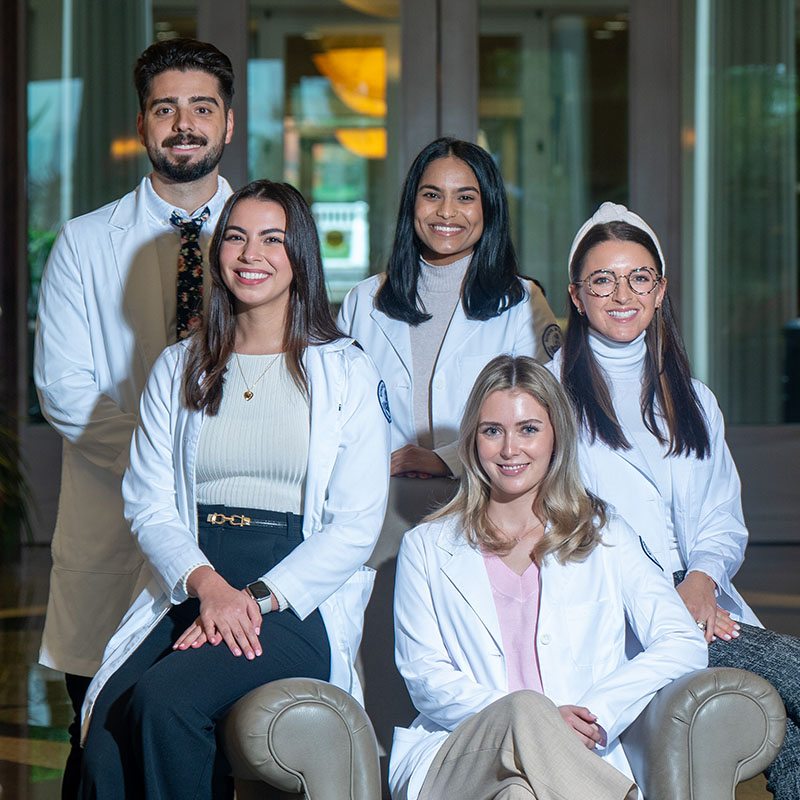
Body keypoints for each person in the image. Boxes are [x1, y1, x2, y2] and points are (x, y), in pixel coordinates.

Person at [77, 179, 390, 799]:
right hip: (196, 580)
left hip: (294, 597)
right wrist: (211, 590)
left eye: (273, 239)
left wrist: (253, 599)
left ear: (300, 256)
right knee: (109, 724)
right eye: (237, 237)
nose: (252, 254)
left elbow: (356, 523)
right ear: (218, 252)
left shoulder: (346, 370)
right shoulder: (181, 366)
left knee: (166, 701)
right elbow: (148, 502)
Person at [34, 37, 236, 797]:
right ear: (144, 124)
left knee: (210, 753)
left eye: (201, 108)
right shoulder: (85, 244)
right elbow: (65, 392)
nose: (184, 124)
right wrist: (169, 470)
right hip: (113, 541)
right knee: (102, 751)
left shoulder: (267, 238)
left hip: (229, 547)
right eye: (166, 109)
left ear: (225, 123)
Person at [552, 201, 800, 799]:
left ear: (660, 291)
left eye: (639, 277)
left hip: (700, 600)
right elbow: (558, 523)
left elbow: (721, 518)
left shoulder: (692, 397)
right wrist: (669, 596)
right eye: (602, 280)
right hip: (620, 610)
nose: (622, 294)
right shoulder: (547, 391)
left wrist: (702, 582)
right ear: (577, 295)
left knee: (791, 734)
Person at [389, 355, 706, 800]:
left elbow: (683, 641)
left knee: (518, 796)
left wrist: (595, 713)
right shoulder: (425, 546)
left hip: (571, 761)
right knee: (524, 707)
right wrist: (534, 718)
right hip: (459, 752)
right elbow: (424, 676)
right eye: (492, 430)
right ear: (473, 440)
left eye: (528, 429)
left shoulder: (605, 533)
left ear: (556, 435)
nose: (509, 449)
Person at [338, 136, 561, 482]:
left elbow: (545, 421)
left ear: (489, 207)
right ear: (412, 203)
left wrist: (447, 460)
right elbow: (338, 414)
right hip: (379, 500)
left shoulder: (522, 302)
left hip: (483, 501)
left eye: (465, 198)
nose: (446, 211)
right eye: (431, 195)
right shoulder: (363, 301)